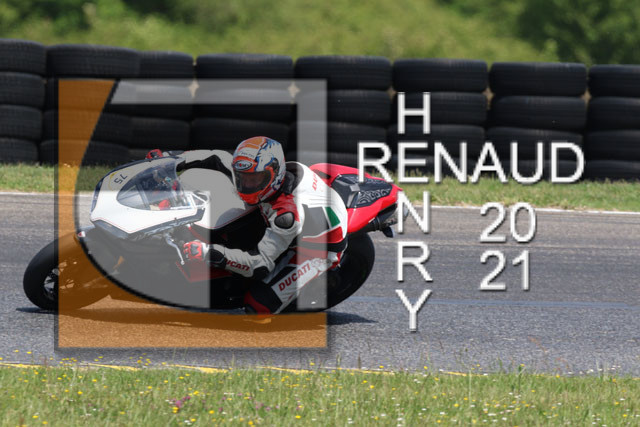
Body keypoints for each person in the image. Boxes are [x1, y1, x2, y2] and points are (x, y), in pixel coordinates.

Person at [175, 136, 349, 315]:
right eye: (242, 177)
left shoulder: (287, 216)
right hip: (301, 216)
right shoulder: (261, 176)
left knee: (258, 307)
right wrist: (172, 159)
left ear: (275, 174)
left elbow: (259, 265)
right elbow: (218, 157)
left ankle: (313, 282)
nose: (247, 185)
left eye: (255, 179)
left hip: (316, 249)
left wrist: (210, 252)